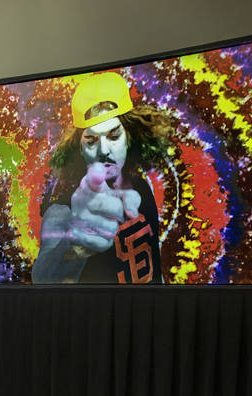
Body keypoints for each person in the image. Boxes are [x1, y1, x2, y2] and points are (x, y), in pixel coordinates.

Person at [31, 71, 175, 284]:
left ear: (129, 137)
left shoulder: (142, 188)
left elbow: (154, 268)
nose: (103, 151)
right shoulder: (62, 211)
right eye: (91, 140)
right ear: (79, 148)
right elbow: (42, 279)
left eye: (114, 136)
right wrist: (77, 241)